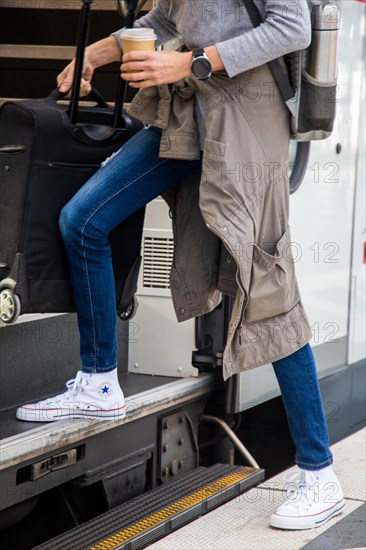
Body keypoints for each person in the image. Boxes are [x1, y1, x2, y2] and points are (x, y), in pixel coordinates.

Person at [16, 0, 345, 530]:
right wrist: (96, 54)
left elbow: (290, 27)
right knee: (84, 219)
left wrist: (191, 63)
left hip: (246, 115)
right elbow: (169, 21)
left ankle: (319, 475)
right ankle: (99, 381)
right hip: (191, 110)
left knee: (263, 286)